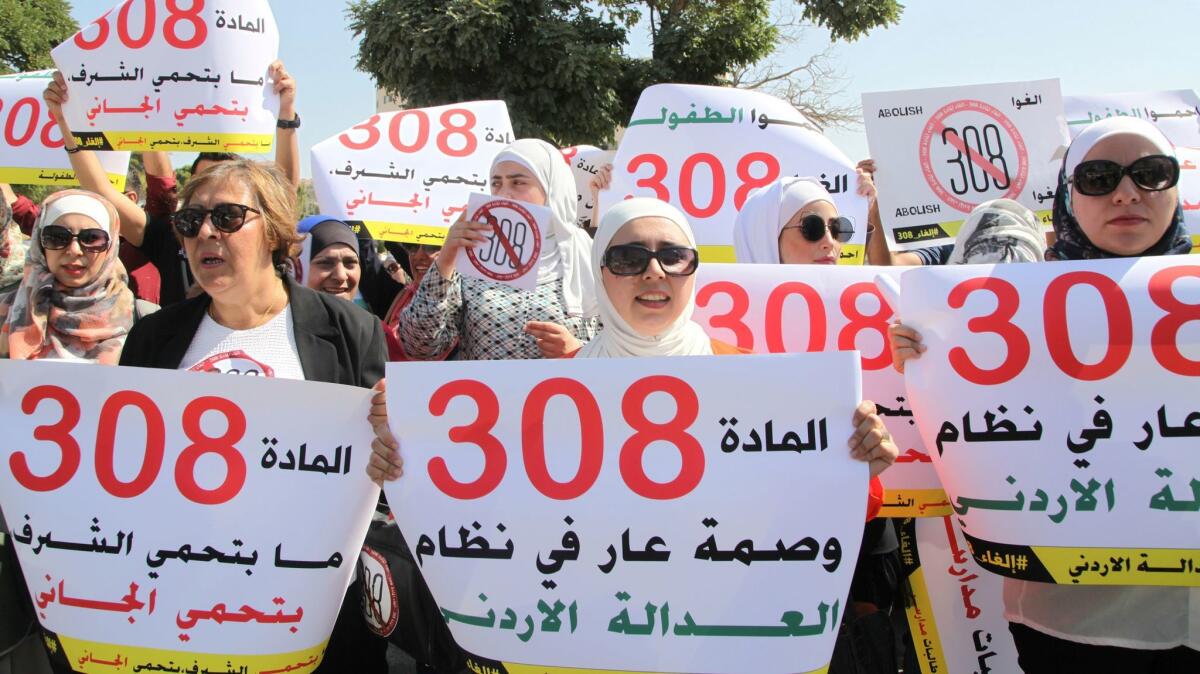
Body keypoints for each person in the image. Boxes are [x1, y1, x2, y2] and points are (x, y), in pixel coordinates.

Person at [889, 117, 1198, 673]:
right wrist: (925, 359)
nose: (1128, 193)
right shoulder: (1000, 312)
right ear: (1068, 197)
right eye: (1100, 177)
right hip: (1080, 620)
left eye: (1151, 174)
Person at [116, 160, 388, 672]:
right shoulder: (154, 338)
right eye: (190, 221)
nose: (204, 233)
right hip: (185, 596)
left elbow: (383, 465)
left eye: (227, 216)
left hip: (311, 603)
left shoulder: (350, 330)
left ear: (276, 232)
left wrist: (391, 442)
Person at [42, 61, 301, 306]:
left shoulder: (265, 236)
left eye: (227, 213)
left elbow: (284, 192)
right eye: (203, 187)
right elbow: (101, 190)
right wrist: (67, 121)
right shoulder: (167, 236)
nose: (208, 231)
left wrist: (286, 114)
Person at [398, 138, 599, 360]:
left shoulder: (587, 255)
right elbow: (419, 346)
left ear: (551, 187)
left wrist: (578, 351)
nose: (504, 194)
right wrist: (446, 258)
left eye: (518, 183)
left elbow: (621, 341)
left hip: (561, 393)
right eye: (496, 183)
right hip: (482, 394)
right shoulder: (472, 259)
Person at [0, 190, 133, 363]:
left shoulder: (145, 321)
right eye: (57, 237)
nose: (74, 250)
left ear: (110, 246)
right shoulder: (5, 311)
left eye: (92, 238)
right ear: (40, 243)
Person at [297, 215, 403, 359]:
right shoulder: (269, 332)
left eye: (350, 263)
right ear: (297, 267)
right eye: (325, 263)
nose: (341, 276)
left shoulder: (374, 334)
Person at [733, 173, 874, 265]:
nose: (829, 242)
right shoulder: (719, 309)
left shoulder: (850, 309)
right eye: (812, 228)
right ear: (765, 240)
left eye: (837, 229)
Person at [383, 241, 456, 361]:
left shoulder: (465, 303)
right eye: (412, 246)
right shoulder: (405, 294)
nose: (418, 255)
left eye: (433, 247)